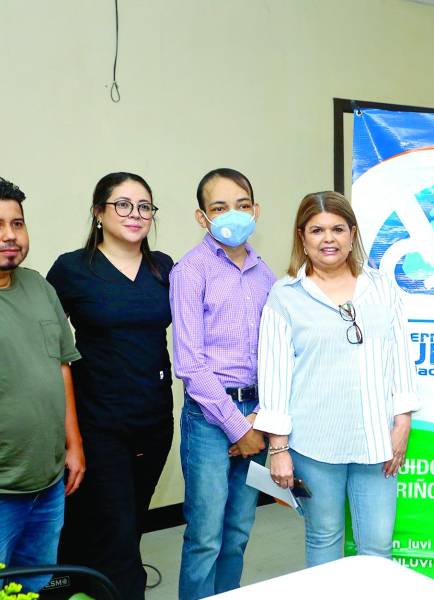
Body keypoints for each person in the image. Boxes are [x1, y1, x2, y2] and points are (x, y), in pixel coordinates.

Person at [255, 190, 419, 567]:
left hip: (377, 440)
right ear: (302, 237)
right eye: (317, 230)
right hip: (314, 443)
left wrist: (403, 422)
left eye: (337, 229)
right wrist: (278, 449)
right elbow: (275, 375)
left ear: (352, 234)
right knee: (324, 536)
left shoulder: (382, 288)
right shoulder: (285, 296)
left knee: (377, 546)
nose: (328, 239)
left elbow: (401, 358)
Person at [46, 172, 173, 600]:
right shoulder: (72, 269)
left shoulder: (164, 268)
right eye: (122, 204)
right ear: (98, 212)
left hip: (155, 421)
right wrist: (67, 435)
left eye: (144, 206)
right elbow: (45, 340)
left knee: (128, 521)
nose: (135, 214)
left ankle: (86, 585)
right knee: (115, 530)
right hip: (98, 422)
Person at [170, 168, 276, 600]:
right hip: (211, 420)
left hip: (256, 413)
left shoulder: (265, 273)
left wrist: (259, 419)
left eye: (242, 204)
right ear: (202, 217)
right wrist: (239, 428)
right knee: (206, 537)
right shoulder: (189, 271)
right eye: (219, 207)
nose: (233, 214)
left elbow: (275, 353)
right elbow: (191, 365)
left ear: (256, 209)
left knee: (237, 533)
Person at [0, 177, 83, 593]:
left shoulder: (39, 286)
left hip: (48, 483)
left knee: (32, 586)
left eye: (17, 223)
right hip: (2, 488)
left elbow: (62, 367)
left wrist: (74, 445)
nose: (9, 236)